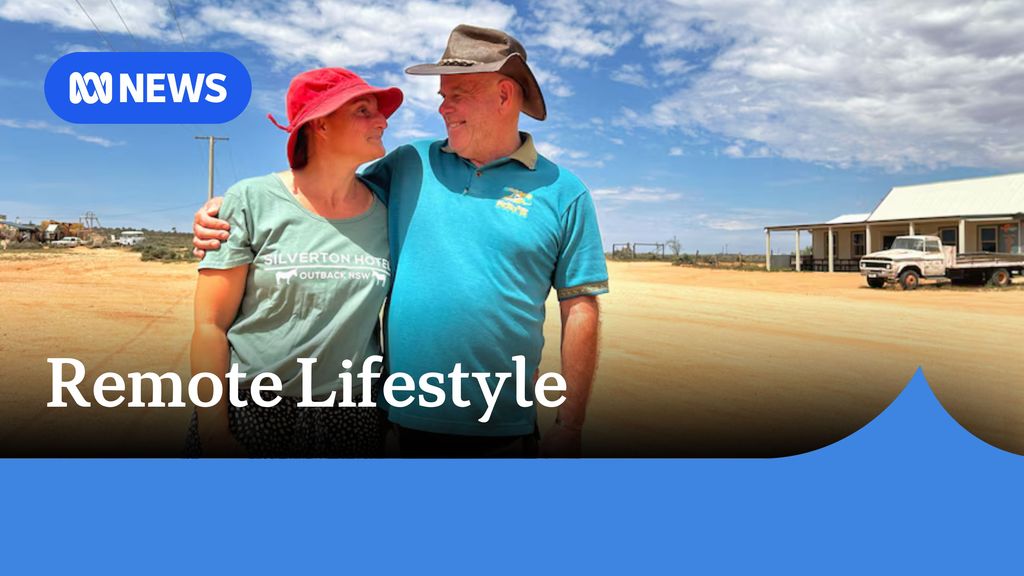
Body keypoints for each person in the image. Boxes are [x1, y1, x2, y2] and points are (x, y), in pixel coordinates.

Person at [194, 25, 608, 457]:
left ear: (504, 96)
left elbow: (580, 306)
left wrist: (570, 424)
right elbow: (326, 191)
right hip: (394, 424)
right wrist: (226, 209)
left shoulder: (565, 192)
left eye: (457, 94)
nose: (442, 108)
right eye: (442, 95)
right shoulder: (411, 163)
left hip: (504, 428)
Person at [186, 67, 403, 457]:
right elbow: (209, 326)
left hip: (353, 413)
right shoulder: (250, 200)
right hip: (252, 409)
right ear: (320, 124)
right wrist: (214, 430)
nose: (382, 121)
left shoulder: (388, 211)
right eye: (363, 111)